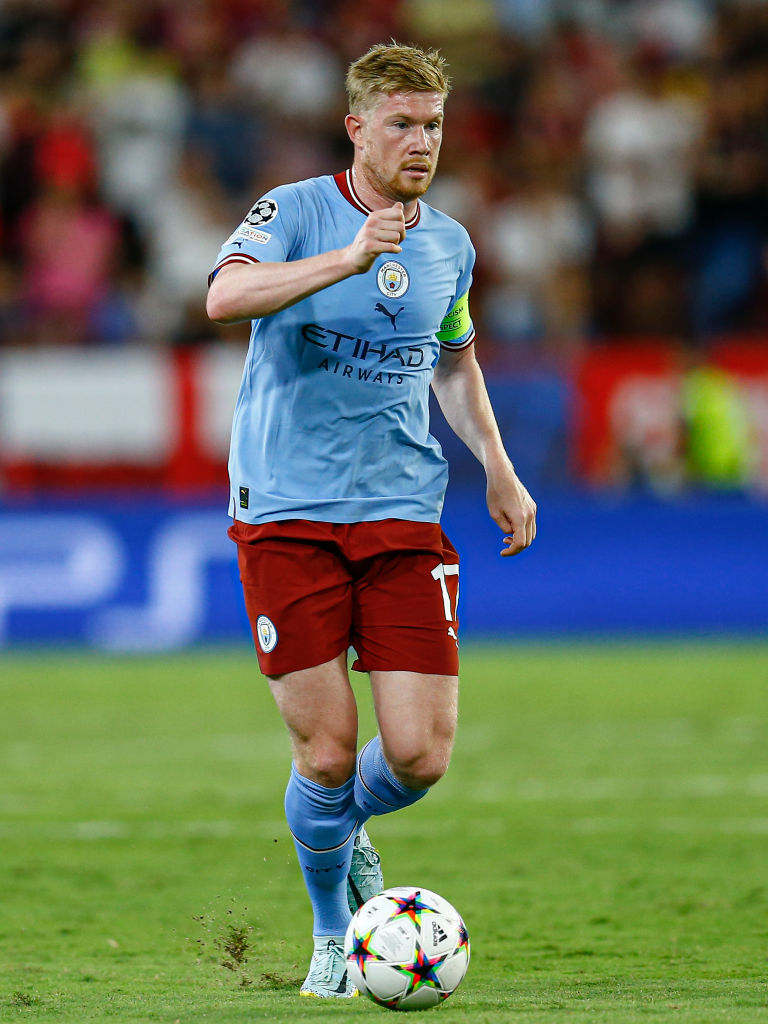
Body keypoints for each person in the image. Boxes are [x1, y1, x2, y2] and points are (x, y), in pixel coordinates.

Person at [206, 41, 537, 999]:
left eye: (433, 124)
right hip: (288, 513)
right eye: (401, 123)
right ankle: (332, 932)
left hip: (400, 511)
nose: (420, 141)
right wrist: (347, 258)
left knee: (420, 756)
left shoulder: (450, 245)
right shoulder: (295, 210)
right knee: (326, 752)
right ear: (356, 128)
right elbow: (224, 296)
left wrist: (499, 467)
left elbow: (453, 360)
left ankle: (337, 829)